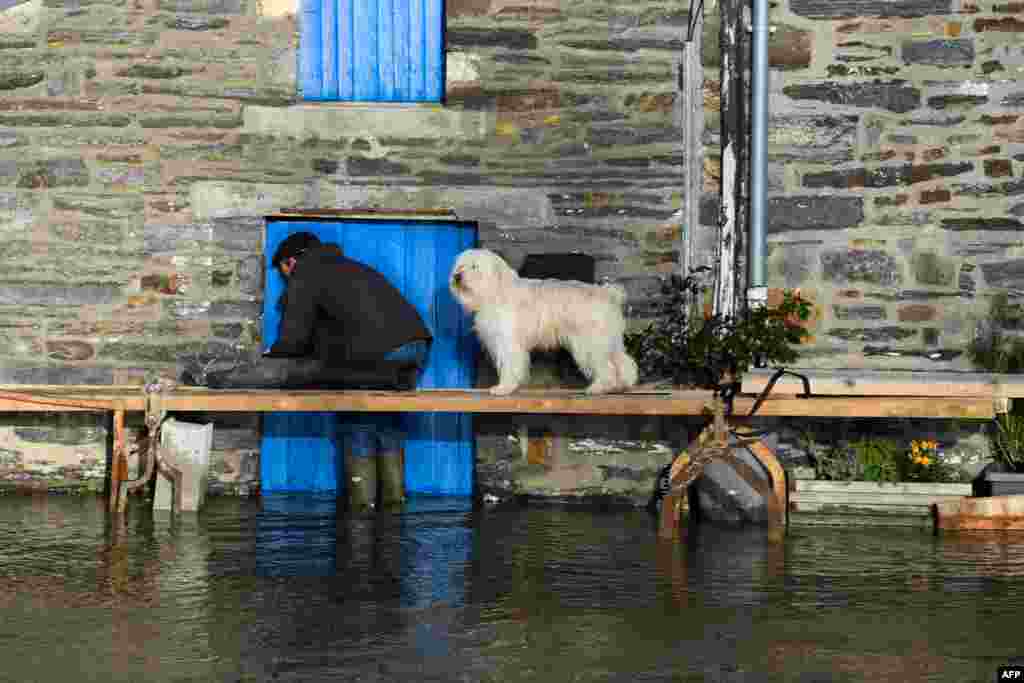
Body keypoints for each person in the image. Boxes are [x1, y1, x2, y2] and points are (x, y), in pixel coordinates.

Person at [188, 231, 433, 391]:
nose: (286, 280)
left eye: (284, 271)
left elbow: (293, 341)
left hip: (379, 353)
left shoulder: (305, 272)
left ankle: (212, 380)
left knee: (287, 370)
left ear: (291, 262)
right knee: (374, 422)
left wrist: (274, 356)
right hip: (415, 350)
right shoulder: (347, 268)